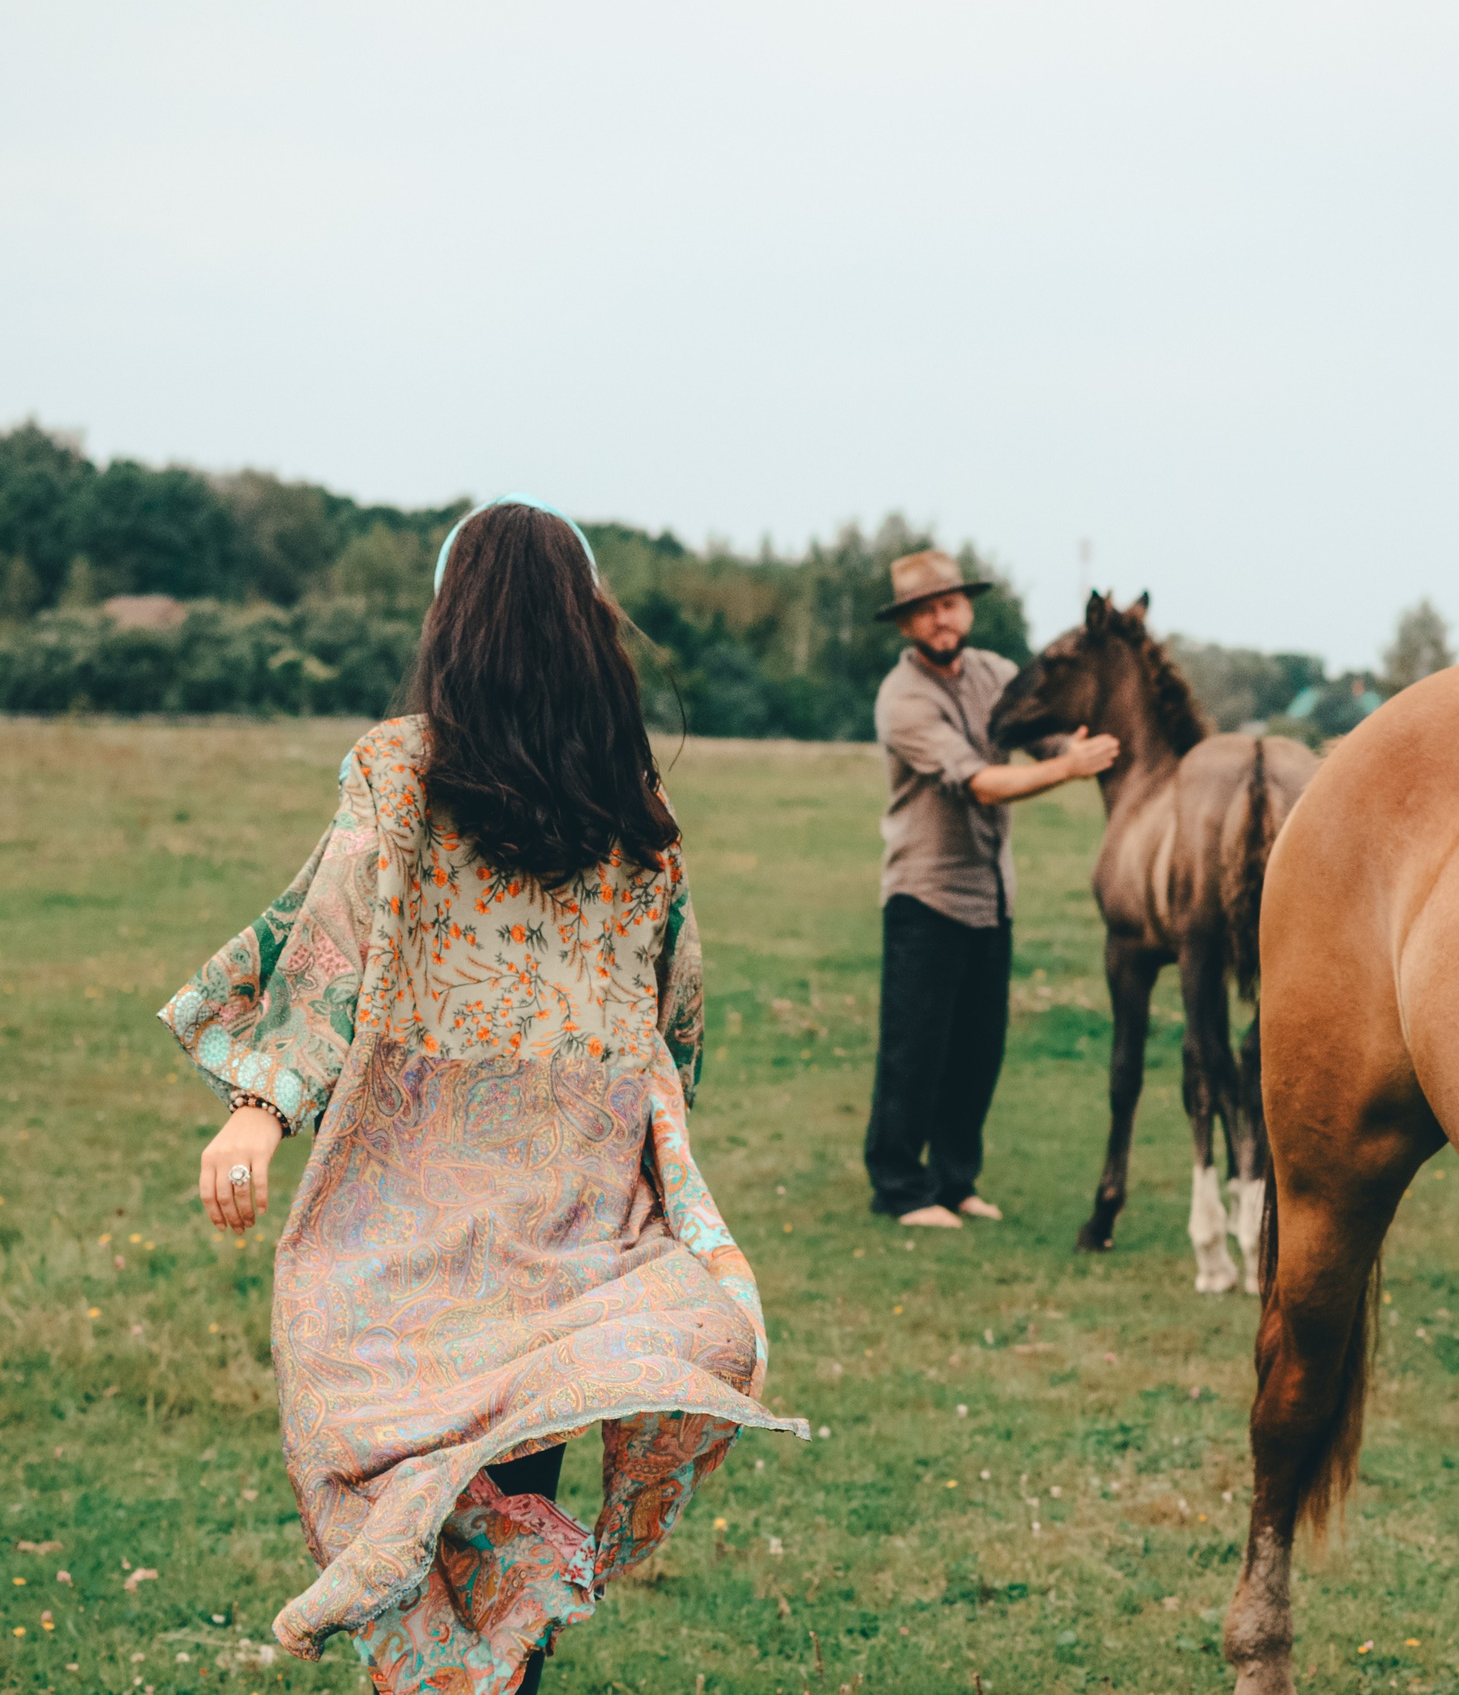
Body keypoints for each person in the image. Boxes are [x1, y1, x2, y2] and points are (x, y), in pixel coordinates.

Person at [163, 496, 802, 1695]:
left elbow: (330, 944)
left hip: (408, 1203)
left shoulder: (401, 770)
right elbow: (675, 1012)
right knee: (516, 1456)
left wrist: (258, 1110)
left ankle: (445, 1644)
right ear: (589, 620)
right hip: (571, 1213)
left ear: (449, 618)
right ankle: (497, 1649)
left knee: (399, 1450)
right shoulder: (633, 811)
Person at [864, 549, 1119, 1227]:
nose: (940, 619)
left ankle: (955, 1182)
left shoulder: (997, 674)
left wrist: (1081, 743)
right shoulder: (903, 698)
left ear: (967, 609)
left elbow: (1045, 736)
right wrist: (1068, 770)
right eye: (924, 610)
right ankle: (899, 1187)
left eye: (948, 604)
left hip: (992, 894)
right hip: (925, 894)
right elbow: (979, 783)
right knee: (915, 1049)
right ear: (906, 625)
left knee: (978, 1050)